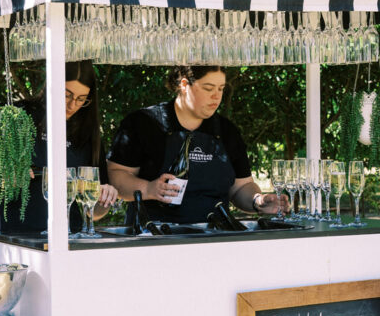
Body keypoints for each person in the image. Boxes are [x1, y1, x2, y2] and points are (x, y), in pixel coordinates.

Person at [0, 60, 117, 234]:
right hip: (16, 236)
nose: (72, 105)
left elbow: (94, 213)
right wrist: (3, 158)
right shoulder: (22, 113)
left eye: (81, 99)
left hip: (70, 240)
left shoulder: (88, 132)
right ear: (52, 86)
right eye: (67, 95)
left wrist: (103, 200)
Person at [107, 65, 287, 225]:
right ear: (184, 85)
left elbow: (241, 187)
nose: (216, 96)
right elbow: (115, 176)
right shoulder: (143, 123)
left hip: (214, 237)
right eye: (208, 88)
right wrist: (148, 189)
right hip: (155, 238)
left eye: (221, 89)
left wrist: (258, 201)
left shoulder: (227, 130)